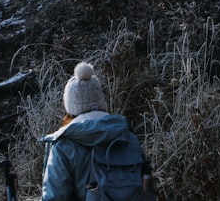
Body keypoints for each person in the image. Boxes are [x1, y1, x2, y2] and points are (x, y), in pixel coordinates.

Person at [40, 62, 147, 200]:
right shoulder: (126, 135)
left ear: (69, 107)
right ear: (101, 100)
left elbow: (55, 197)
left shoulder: (64, 144)